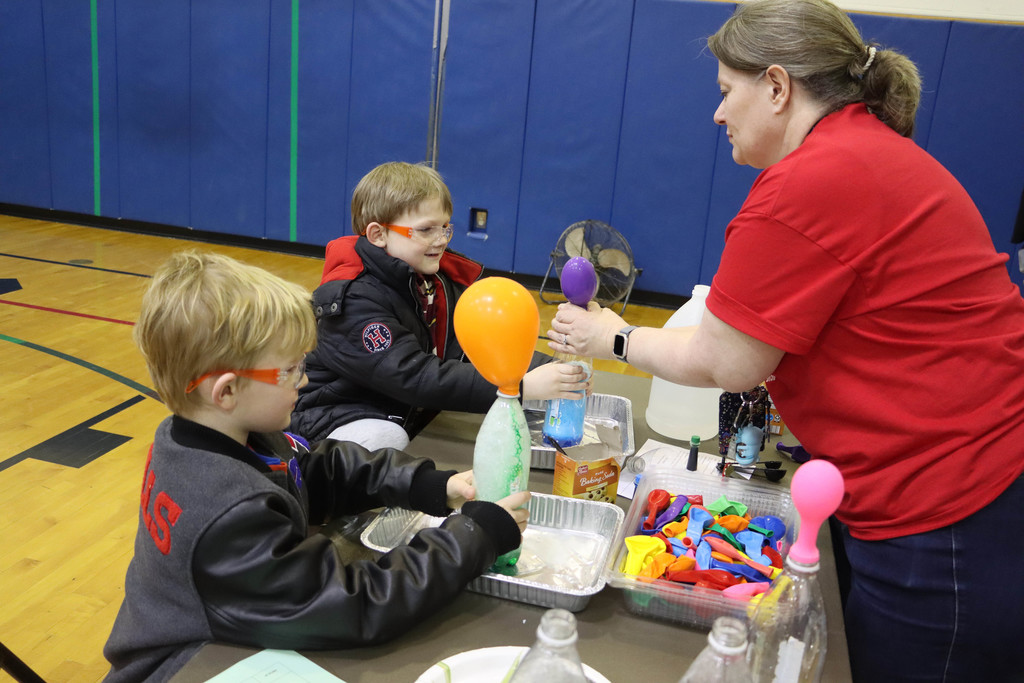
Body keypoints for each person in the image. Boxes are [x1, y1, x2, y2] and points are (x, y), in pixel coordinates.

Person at [548, 1, 1024, 681]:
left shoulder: (809, 181)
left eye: (724, 92)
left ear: (776, 87)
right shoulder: (868, 153)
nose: (717, 114)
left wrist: (615, 336)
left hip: (945, 503)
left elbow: (727, 361)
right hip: (973, 478)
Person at [103, 251, 530, 682]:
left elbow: (315, 470)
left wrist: (432, 485)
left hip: (225, 638)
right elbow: (353, 603)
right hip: (188, 666)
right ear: (227, 392)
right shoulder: (229, 510)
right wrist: (475, 537)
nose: (304, 381)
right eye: (289, 370)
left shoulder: (212, 432)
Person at [291, 161, 587, 450]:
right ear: (378, 235)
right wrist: (519, 386)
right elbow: (414, 376)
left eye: (445, 227)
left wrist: (554, 368)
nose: (441, 240)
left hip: (401, 409)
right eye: (426, 230)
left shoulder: (435, 280)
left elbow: (478, 346)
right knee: (387, 438)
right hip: (335, 417)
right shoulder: (352, 300)